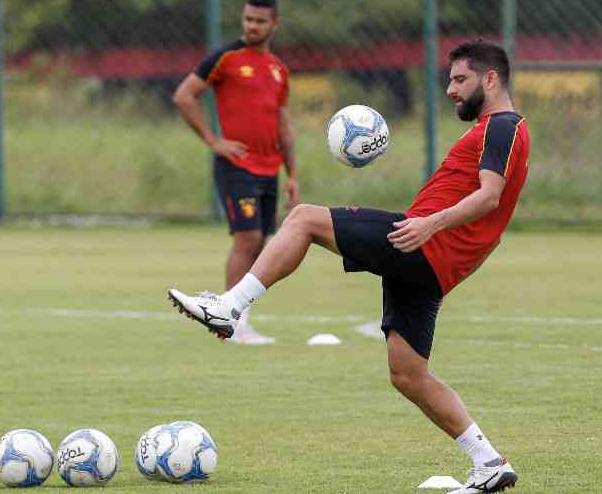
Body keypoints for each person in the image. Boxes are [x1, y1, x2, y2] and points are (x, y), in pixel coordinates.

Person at [169, 40, 528, 493]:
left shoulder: (503, 127)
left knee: (303, 219)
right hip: (430, 257)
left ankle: (230, 307)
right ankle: (489, 462)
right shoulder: (489, 128)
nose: (451, 90)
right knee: (408, 375)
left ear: (490, 78)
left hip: (424, 244)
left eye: (460, 79)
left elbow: (489, 196)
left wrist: (429, 226)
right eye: (450, 80)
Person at [172, 0, 299, 345]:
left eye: (259, 21)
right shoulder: (225, 59)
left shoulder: (278, 69)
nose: (252, 26)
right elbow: (184, 96)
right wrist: (214, 141)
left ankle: (239, 318)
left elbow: (284, 127)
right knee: (247, 239)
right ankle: (230, 324)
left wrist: (293, 176)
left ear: (275, 24)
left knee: (261, 244)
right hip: (236, 167)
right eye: (247, 20)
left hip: (270, 169)